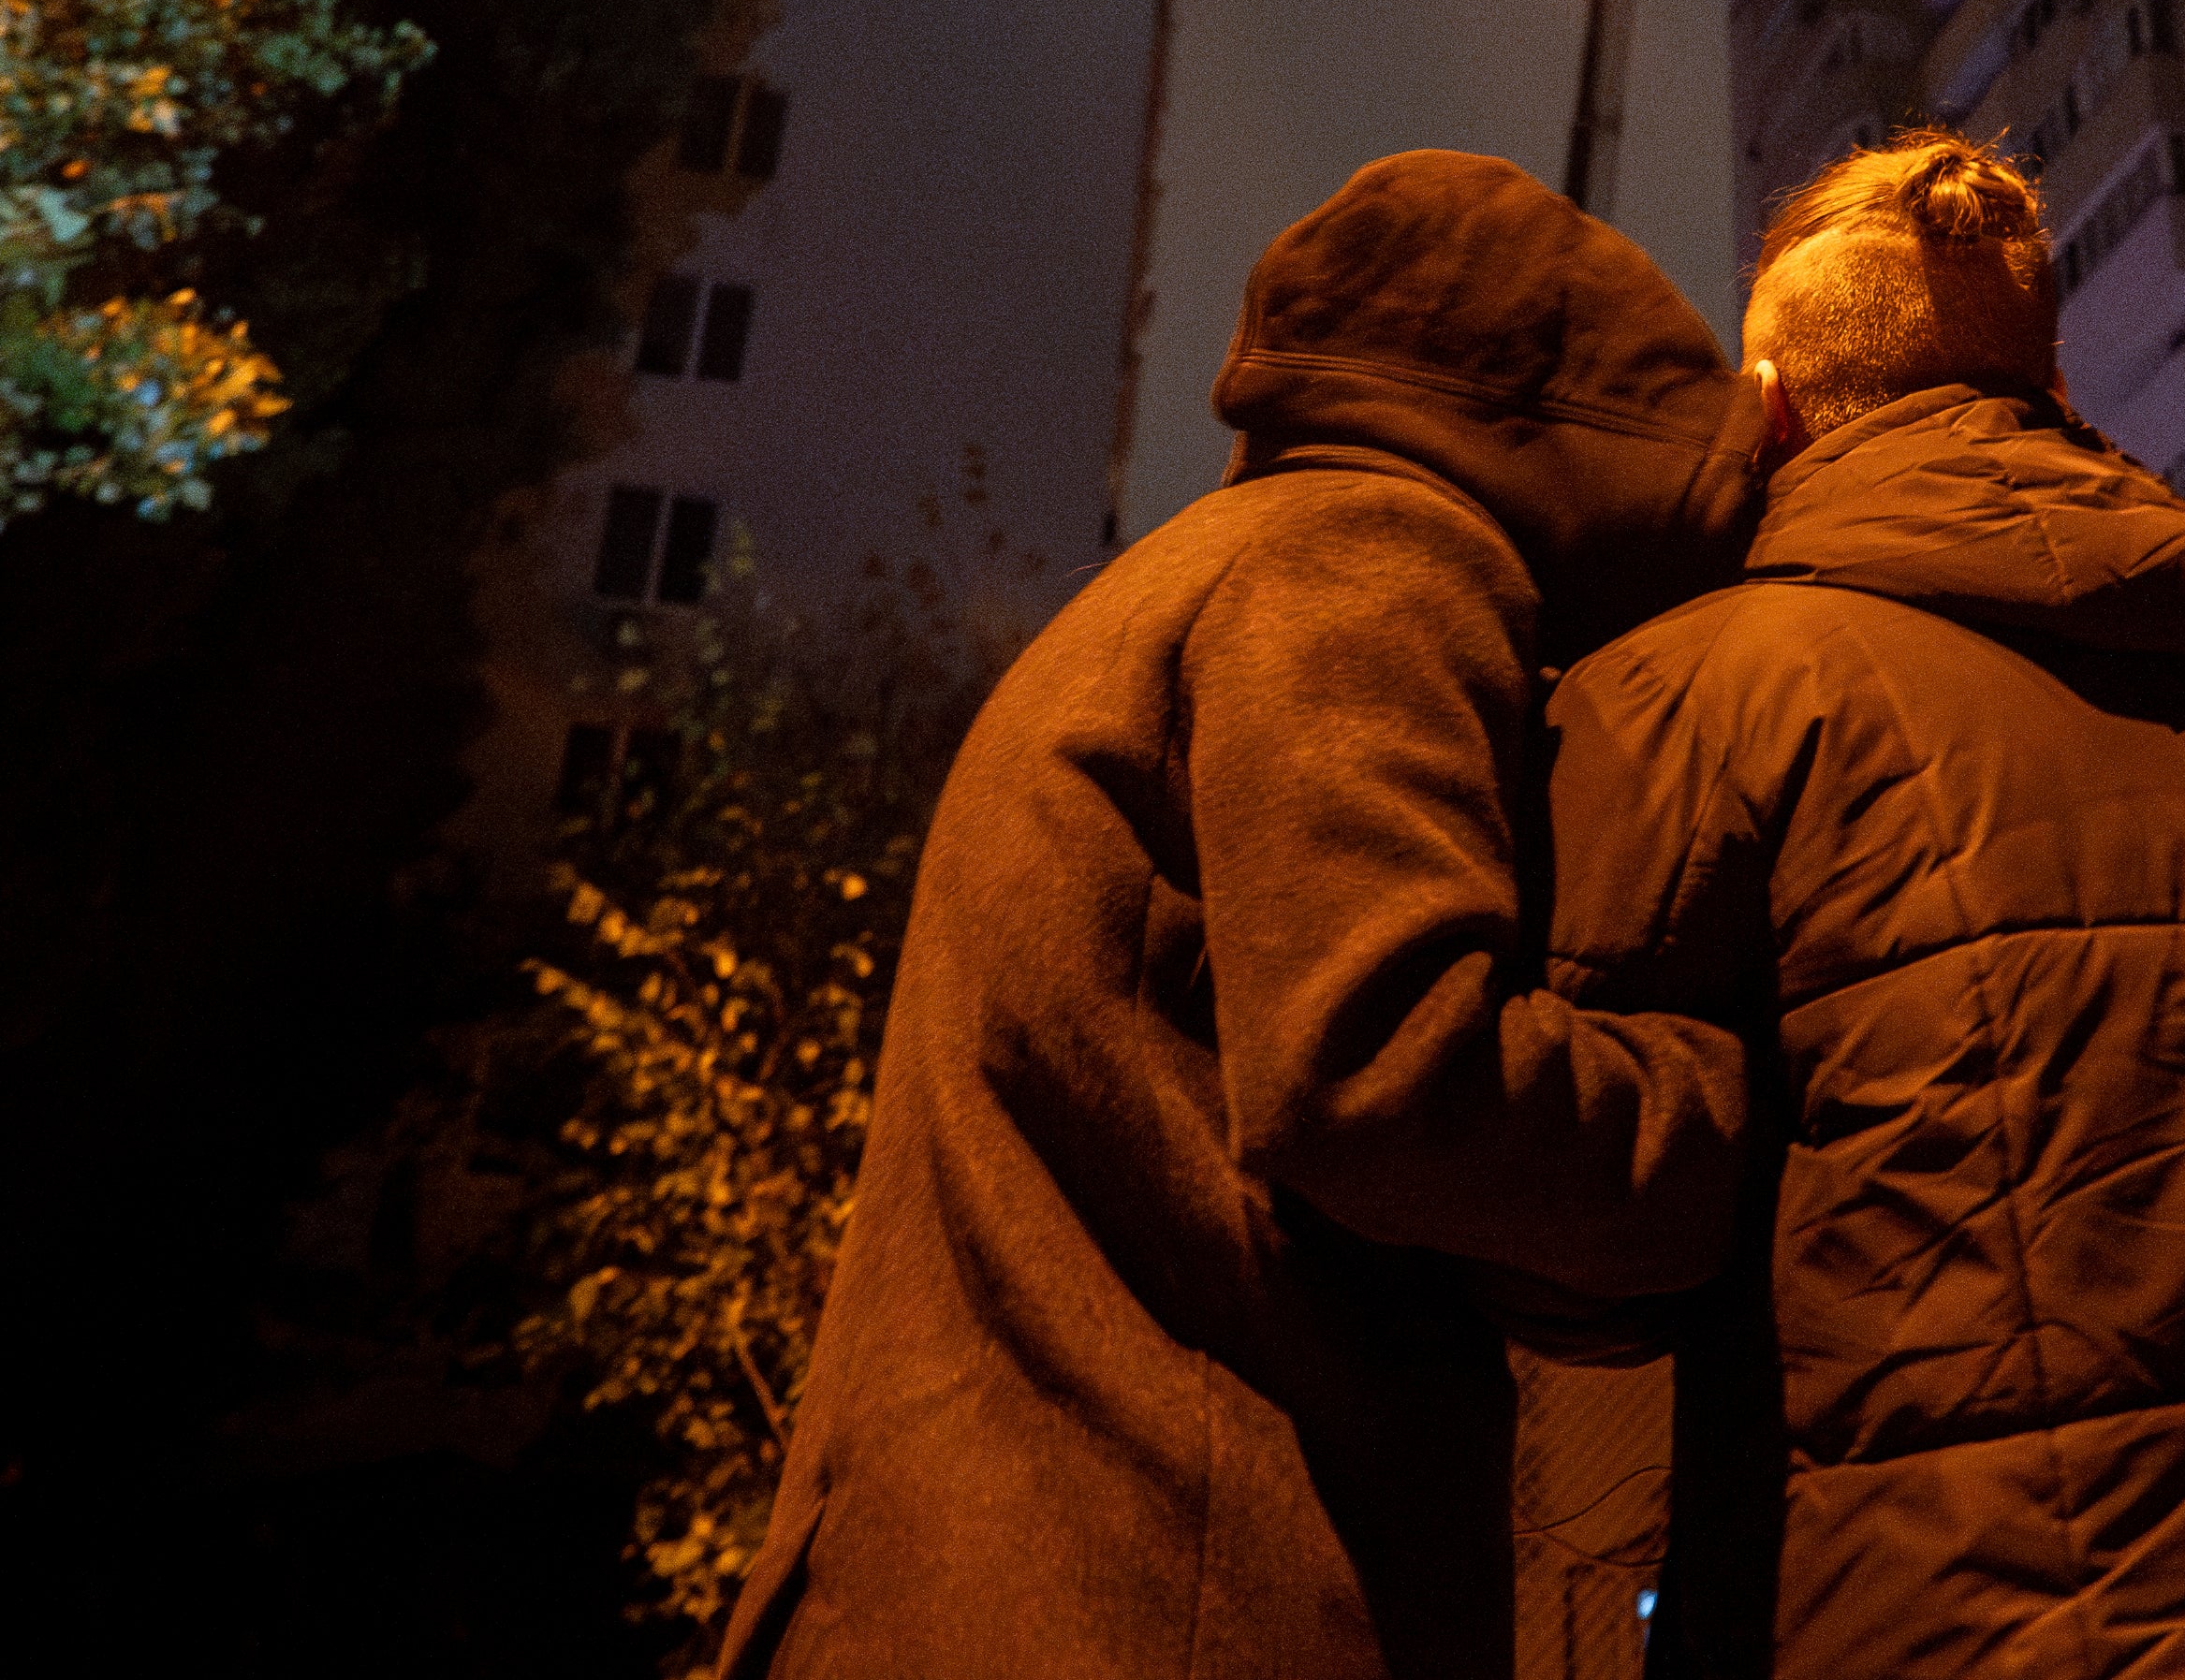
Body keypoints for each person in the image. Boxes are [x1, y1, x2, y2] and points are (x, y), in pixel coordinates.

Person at [715, 151, 1769, 1680]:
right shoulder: (1370, 565)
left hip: (995, 1581)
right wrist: (1762, 1122)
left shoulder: (1191, 580)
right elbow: (1383, 1072)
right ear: (1557, 441)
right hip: (1163, 1599)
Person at [1535, 131, 2185, 1678]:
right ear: (2061, 390)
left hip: (1945, 1624)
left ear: (1765, 415)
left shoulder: (1698, 701)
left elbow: (1576, 1230)